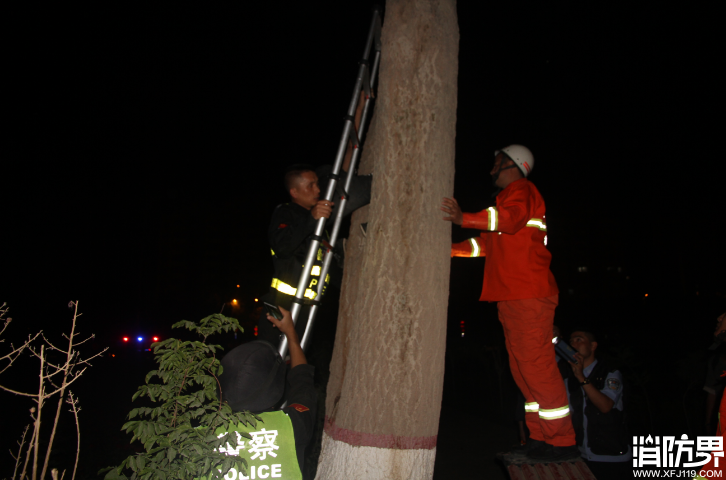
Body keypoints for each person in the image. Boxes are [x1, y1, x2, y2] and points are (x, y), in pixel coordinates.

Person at [441, 145, 578, 462]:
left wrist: (465, 217)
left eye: (496, 163)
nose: (492, 170)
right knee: (522, 369)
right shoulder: (506, 203)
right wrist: (450, 250)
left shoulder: (522, 191)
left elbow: (510, 220)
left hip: (528, 293)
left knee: (537, 368)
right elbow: (486, 244)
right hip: (513, 295)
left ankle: (562, 442)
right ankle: (541, 438)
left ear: (512, 164)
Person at [258, 92, 372, 347]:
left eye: (317, 184)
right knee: (270, 364)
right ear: (294, 192)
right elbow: (284, 244)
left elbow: (345, 161)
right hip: (280, 308)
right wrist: (312, 218)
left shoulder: (321, 213)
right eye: (310, 186)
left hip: (309, 310)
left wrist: (362, 106)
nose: (317, 190)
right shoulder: (286, 212)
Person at [218, 307, 315, 478]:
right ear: (276, 391)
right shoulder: (292, 426)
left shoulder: (201, 436)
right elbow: (302, 381)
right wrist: (291, 334)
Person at [564, 330, 631, 479]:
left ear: (593, 346)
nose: (573, 344)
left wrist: (581, 377)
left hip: (612, 457)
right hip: (582, 456)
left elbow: (606, 406)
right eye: (571, 341)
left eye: (579, 339)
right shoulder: (569, 381)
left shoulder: (610, 374)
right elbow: (568, 415)